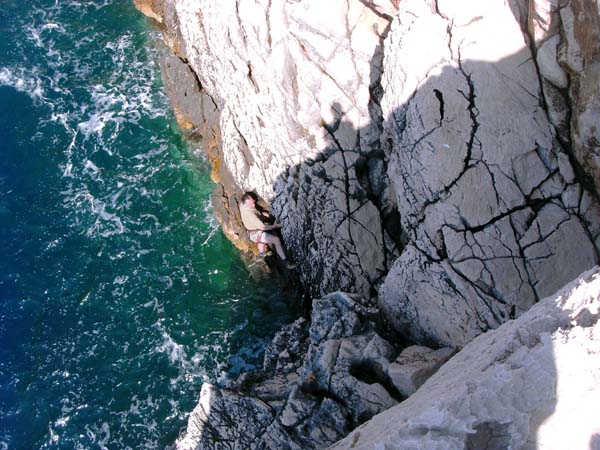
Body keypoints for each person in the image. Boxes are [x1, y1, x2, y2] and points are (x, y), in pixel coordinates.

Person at [239, 192, 295, 269]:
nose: (254, 205)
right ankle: (286, 262)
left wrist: (261, 213)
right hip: (255, 233)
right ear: (246, 204)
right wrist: (275, 226)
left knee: (261, 242)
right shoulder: (250, 215)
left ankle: (262, 254)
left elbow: (253, 211)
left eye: (254, 202)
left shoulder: (242, 205)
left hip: (251, 230)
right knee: (276, 240)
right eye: (251, 204)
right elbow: (262, 227)